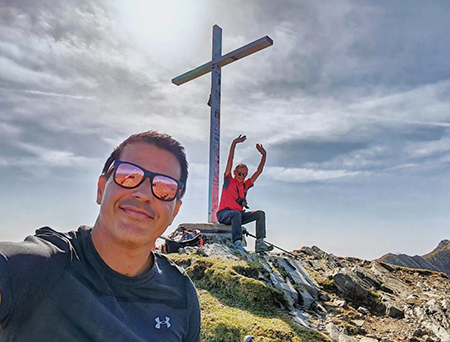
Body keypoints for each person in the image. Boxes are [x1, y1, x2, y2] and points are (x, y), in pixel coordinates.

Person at [0, 131, 200, 342]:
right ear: (101, 188)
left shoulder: (181, 294)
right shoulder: (39, 268)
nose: (144, 193)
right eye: (129, 175)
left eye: (164, 187)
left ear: (175, 212)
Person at [216, 134, 273, 253]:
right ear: (234, 172)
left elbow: (259, 171)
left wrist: (264, 155)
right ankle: (237, 243)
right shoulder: (229, 181)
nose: (242, 176)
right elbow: (230, 160)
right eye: (240, 174)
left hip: (238, 215)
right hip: (224, 215)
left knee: (260, 214)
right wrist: (234, 143)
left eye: (244, 174)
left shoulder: (245, 185)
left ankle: (260, 243)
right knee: (236, 213)